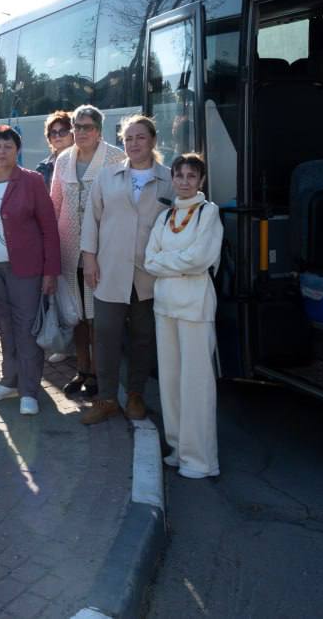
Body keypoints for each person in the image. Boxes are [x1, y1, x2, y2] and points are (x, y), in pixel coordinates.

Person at [79, 115, 172, 424]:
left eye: (140, 137)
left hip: (149, 273)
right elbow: (91, 219)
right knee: (105, 334)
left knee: (143, 337)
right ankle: (106, 398)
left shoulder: (170, 179)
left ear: (153, 141)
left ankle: (135, 394)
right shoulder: (108, 176)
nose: (133, 143)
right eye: (128, 138)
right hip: (109, 270)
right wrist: (89, 259)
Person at [0, 126, 59, 416]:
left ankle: (29, 390)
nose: (1, 151)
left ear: (17, 150)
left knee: (26, 327)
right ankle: (9, 381)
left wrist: (50, 272)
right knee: (5, 327)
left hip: (25, 269)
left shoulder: (31, 181)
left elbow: (48, 229)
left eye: (8, 146)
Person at [144, 153, 222, 479]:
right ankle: (177, 448)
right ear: (172, 179)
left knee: (196, 384)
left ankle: (200, 459)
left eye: (192, 176)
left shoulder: (209, 212)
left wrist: (169, 263)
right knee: (172, 383)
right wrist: (179, 264)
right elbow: (149, 260)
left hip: (195, 308)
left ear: (201, 181)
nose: (185, 181)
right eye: (180, 175)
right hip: (165, 307)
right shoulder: (165, 216)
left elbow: (200, 259)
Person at [50, 104, 125, 399]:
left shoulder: (115, 158)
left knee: (97, 317)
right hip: (68, 249)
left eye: (87, 127)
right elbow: (55, 203)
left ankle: (97, 373)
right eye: (76, 127)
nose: (80, 132)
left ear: (99, 130)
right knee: (76, 315)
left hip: (101, 250)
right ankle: (81, 369)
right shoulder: (63, 160)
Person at [36, 111, 73, 190]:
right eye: (53, 133)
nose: (57, 136)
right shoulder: (42, 167)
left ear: (73, 134)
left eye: (62, 132)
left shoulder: (82, 161)